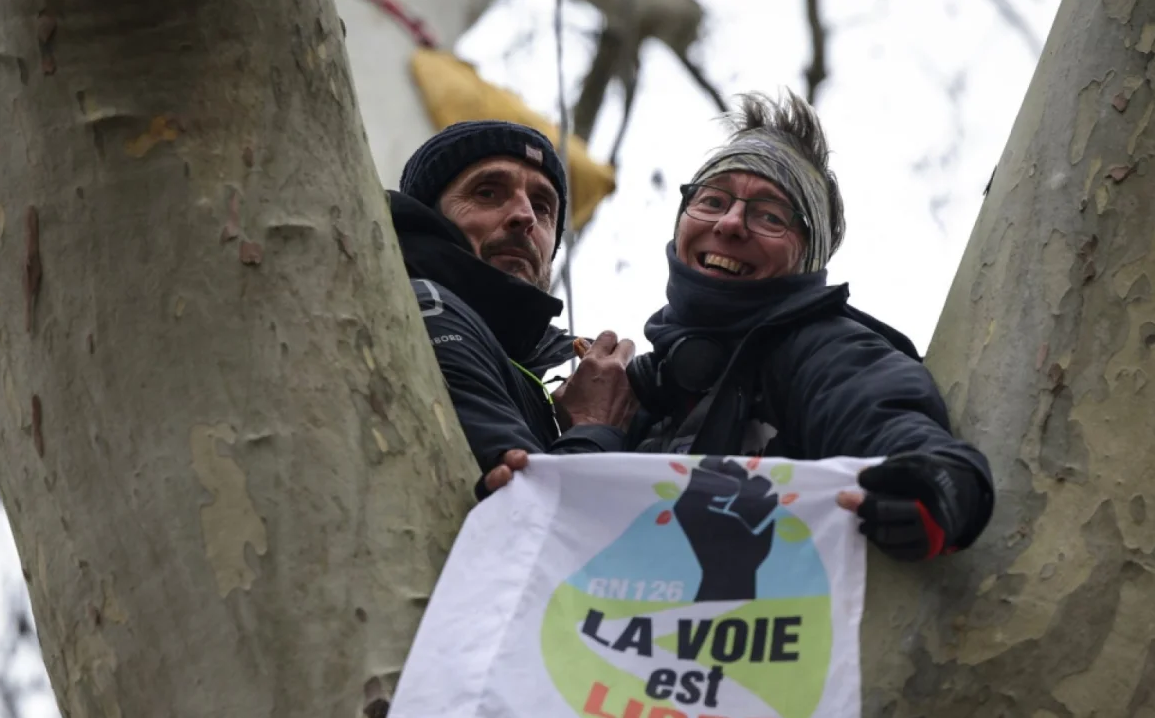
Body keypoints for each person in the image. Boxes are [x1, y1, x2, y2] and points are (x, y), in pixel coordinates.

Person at [626, 92, 995, 561]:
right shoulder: (631, 389)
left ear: (808, 258)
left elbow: (884, 421)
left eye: (770, 216)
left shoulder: (824, 348)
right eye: (712, 200)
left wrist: (941, 482)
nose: (731, 223)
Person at [390, 120, 637, 493]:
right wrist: (593, 423)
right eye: (488, 193)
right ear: (429, 216)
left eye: (543, 206)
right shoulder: (426, 308)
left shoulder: (551, 362)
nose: (525, 217)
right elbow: (534, 511)